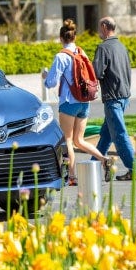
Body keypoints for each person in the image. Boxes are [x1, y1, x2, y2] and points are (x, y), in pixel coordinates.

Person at [43, 19, 112, 186]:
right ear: (74, 37)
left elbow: (51, 82)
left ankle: (72, 177)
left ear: (61, 38)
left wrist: (45, 77)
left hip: (68, 102)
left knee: (67, 139)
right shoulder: (82, 52)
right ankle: (104, 159)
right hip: (84, 100)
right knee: (79, 140)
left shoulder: (61, 56)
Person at [91, 16, 136, 181]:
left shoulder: (103, 48)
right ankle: (93, 164)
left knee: (119, 134)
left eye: (100, 27)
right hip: (123, 96)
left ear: (105, 27)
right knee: (106, 134)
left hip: (112, 97)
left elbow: (97, 73)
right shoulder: (121, 46)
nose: (99, 31)